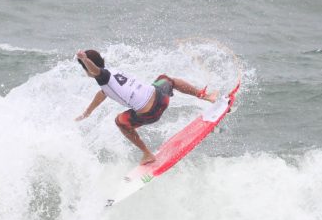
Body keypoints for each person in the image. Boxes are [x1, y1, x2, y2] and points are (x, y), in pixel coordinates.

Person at [75, 49, 218, 165]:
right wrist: (87, 112)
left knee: (120, 122)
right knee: (166, 79)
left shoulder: (102, 75)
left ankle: (147, 153)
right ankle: (206, 97)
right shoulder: (111, 74)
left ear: (87, 69)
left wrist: (85, 59)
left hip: (150, 113)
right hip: (162, 98)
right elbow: (102, 94)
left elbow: (96, 71)